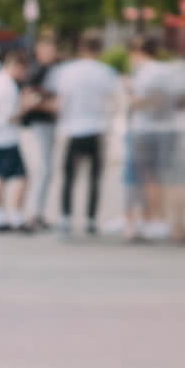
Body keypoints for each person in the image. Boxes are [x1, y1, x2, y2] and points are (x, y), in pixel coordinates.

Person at [47, 33, 119, 237]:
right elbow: (114, 99)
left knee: (69, 176)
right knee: (94, 177)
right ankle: (90, 219)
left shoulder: (66, 71)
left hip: (73, 129)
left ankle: (66, 217)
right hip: (97, 128)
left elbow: (60, 101)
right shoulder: (106, 72)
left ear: (81, 48)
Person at [128, 36, 185, 244]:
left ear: (139, 52)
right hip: (171, 128)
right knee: (176, 179)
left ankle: (157, 222)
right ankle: (178, 227)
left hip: (146, 130)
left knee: (151, 178)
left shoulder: (144, 72)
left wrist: (133, 100)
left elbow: (141, 101)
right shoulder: (172, 71)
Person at [0, 49, 36, 233]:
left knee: (1, 177)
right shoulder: (7, 85)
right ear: (16, 66)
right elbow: (10, 116)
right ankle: (17, 217)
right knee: (22, 178)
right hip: (8, 136)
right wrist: (27, 106)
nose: (23, 75)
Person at [21, 38, 59, 231]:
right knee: (43, 170)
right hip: (39, 124)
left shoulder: (50, 69)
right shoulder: (37, 71)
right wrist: (50, 105)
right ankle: (34, 213)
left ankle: (39, 212)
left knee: (47, 170)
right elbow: (28, 98)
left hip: (47, 124)